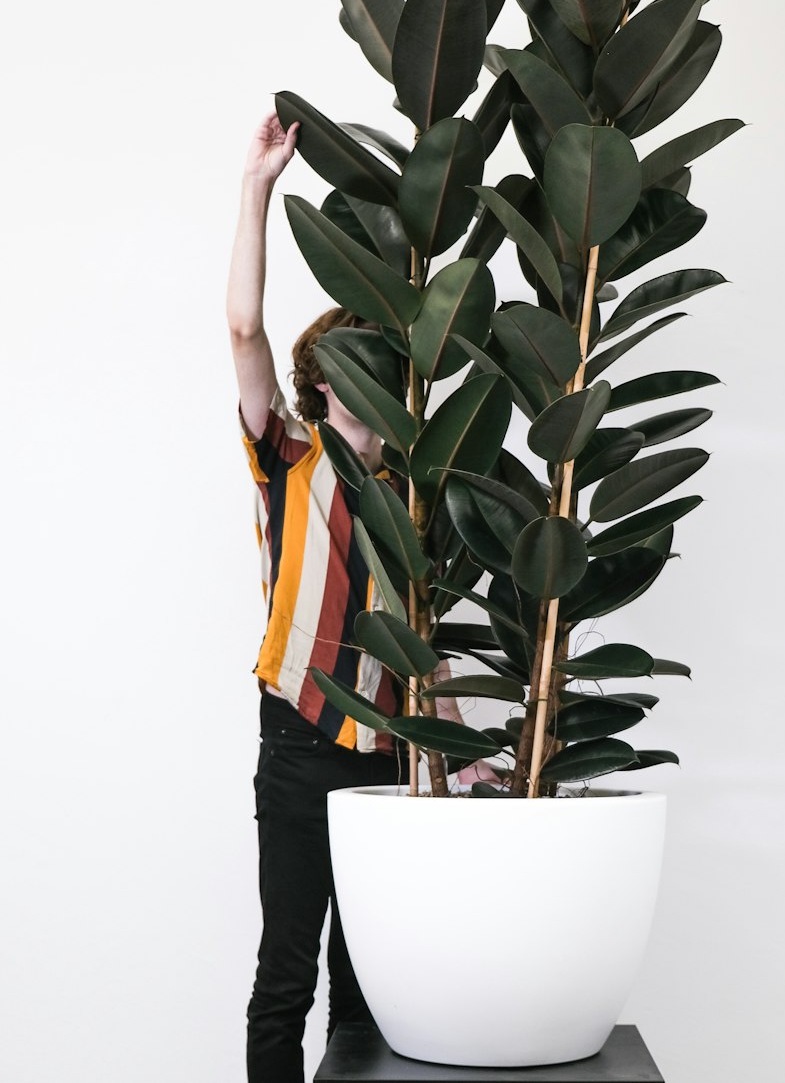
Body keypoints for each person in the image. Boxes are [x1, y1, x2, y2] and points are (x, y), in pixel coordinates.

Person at [228, 111, 490, 1083]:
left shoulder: (420, 496)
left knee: (367, 981)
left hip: (389, 753)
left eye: (374, 372)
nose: (357, 390)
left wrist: (462, 758)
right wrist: (255, 188)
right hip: (297, 742)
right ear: (318, 385)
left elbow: (431, 646)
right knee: (285, 973)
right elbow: (244, 326)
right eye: (341, 373)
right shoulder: (286, 458)